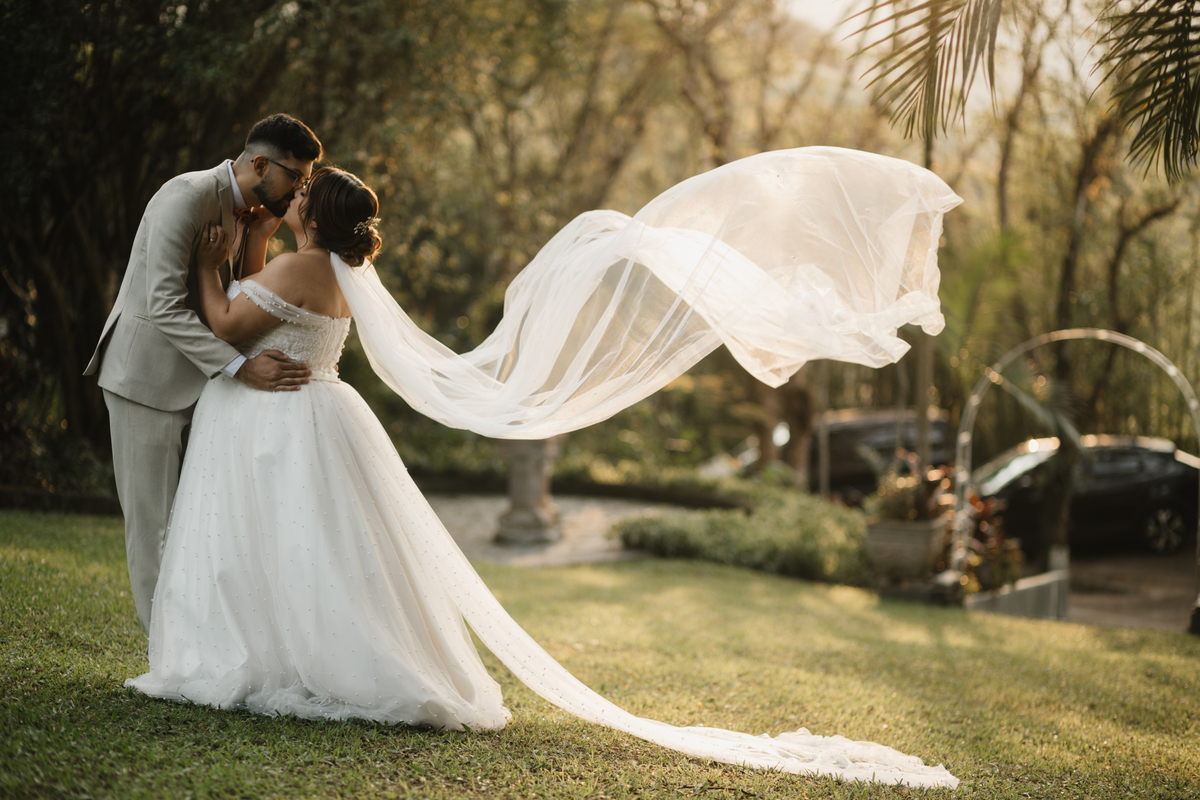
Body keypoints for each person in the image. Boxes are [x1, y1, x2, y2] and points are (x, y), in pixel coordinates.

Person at [127, 155, 962, 788]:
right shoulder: (339, 274)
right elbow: (267, 310)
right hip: (312, 419)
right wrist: (254, 255)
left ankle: (276, 660)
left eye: (296, 201)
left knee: (280, 547)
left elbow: (232, 320)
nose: (284, 203)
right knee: (323, 556)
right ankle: (304, 655)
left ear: (313, 218)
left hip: (280, 425)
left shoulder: (297, 267)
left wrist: (209, 264)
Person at [84, 114, 322, 634]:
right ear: (260, 163)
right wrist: (240, 369)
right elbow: (164, 307)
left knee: (199, 524)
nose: (300, 189)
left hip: (202, 387)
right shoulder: (186, 197)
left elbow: (241, 301)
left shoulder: (252, 212)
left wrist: (257, 236)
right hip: (146, 382)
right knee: (154, 529)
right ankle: (165, 654)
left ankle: (198, 645)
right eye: (296, 177)